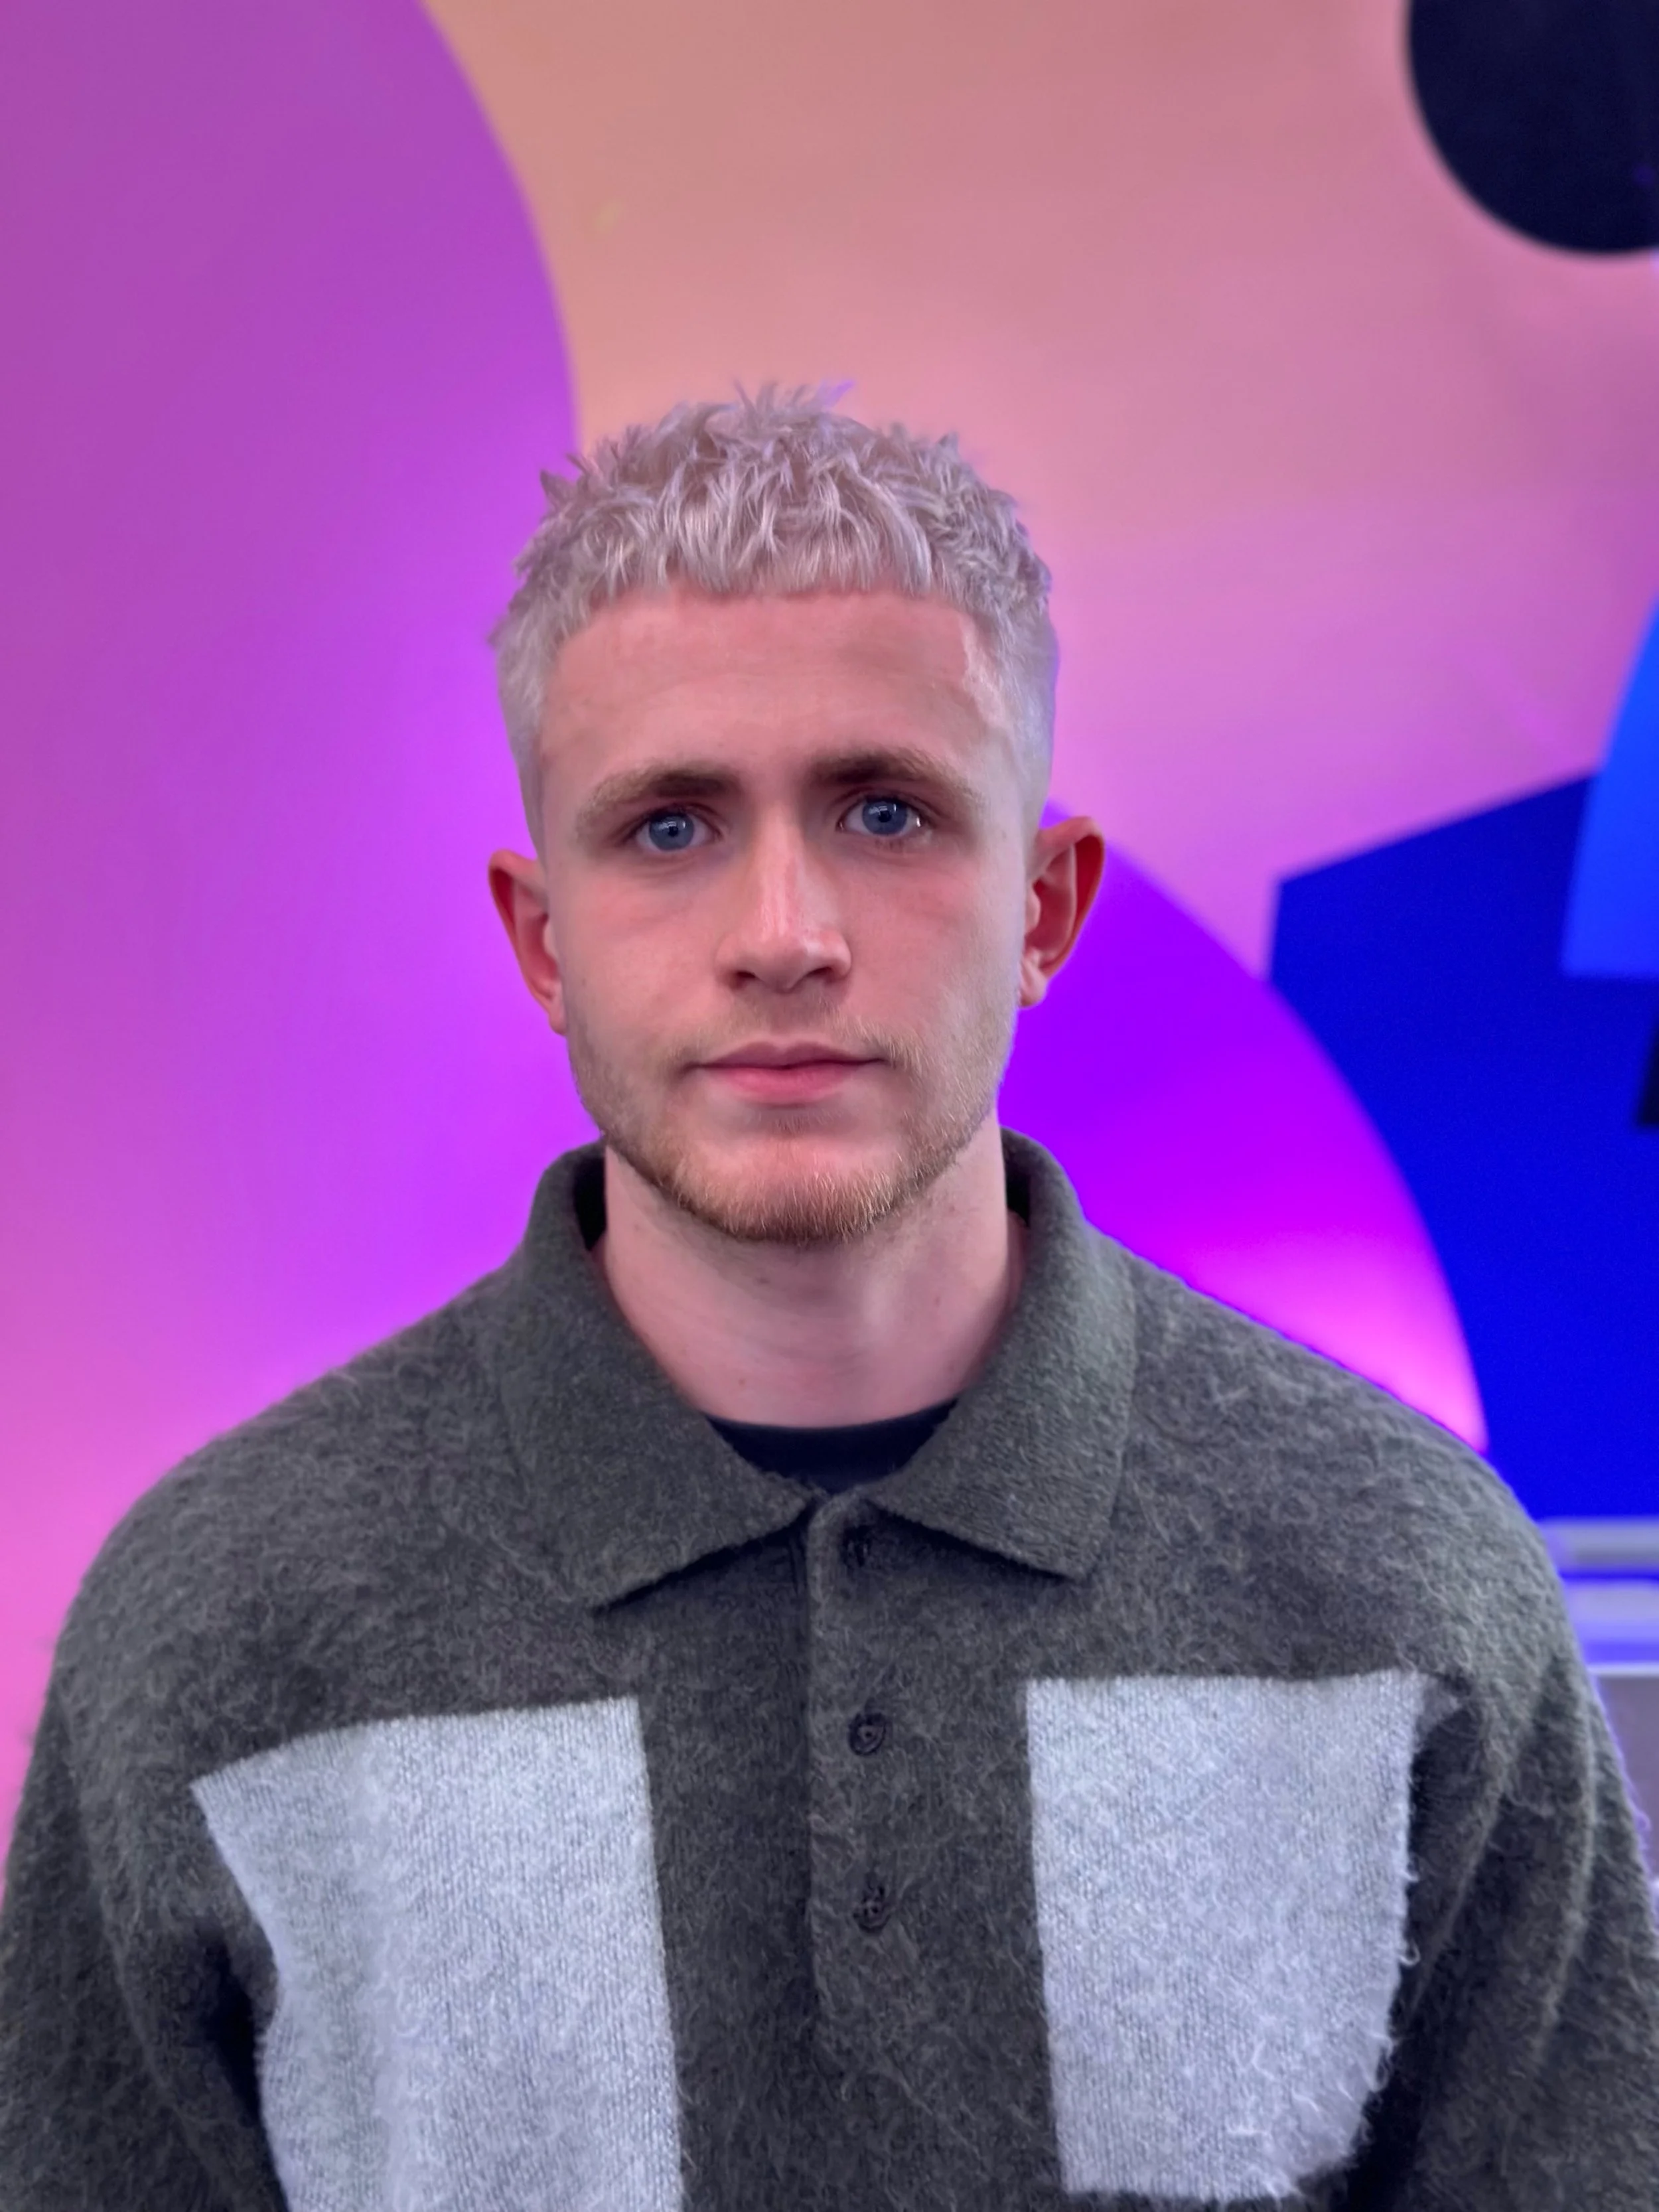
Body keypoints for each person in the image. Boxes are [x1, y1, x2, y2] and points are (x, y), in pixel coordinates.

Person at [1, 388, 1656, 2212]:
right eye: (667, 826)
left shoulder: (1409, 1587)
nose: (784, 927)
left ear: (1045, 905)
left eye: (884, 809)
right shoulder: (217, 1631)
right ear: (541, 941)